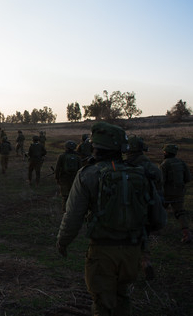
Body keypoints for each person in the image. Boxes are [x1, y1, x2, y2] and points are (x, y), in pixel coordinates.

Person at [56, 122, 166, 316]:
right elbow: (159, 219)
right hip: (132, 250)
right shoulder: (140, 174)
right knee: (122, 296)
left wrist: (63, 242)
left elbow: (72, 216)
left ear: (96, 147)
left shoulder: (88, 174)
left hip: (102, 251)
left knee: (102, 304)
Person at [125, 135, 163, 280]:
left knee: (128, 237)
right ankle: (145, 260)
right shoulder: (153, 167)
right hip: (149, 208)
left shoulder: (126, 167)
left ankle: (131, 266)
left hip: (130, 207)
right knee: (144, 235)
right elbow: (160, 188)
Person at [159, 144, 192, 243]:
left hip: (167, 193)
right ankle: (187, 234)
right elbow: (188, 178)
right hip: (179, 193)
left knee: (158, 210)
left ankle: (154, 231)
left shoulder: (164, 164)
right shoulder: (181, 163)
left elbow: (161, 181)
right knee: (180, 213)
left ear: (166, 152)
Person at [54, 140, 82, 212]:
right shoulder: (78, 157)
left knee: (65, 195)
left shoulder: (62, 156)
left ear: (66, 147)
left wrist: (57, 178)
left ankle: (65, 210)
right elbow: (80, 169)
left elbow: (57, 168)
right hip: (74, 178)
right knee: (73, 194)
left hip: (64, 178)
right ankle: (72, 209)